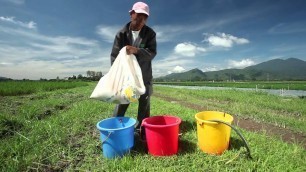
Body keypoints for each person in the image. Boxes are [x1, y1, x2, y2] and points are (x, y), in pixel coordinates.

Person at [110, 2, 157, 131]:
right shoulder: (121, 34)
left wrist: (136, 50)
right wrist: (116, 76)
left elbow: (152, 53)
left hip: (144, 76)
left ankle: (142, 130)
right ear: (132, 14)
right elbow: (114, 56)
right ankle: (116, 128)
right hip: (126, 77)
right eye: (139, 16)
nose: (141, 20)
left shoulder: (150, 33)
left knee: (144, 104)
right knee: (122, 102)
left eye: (145, 17)